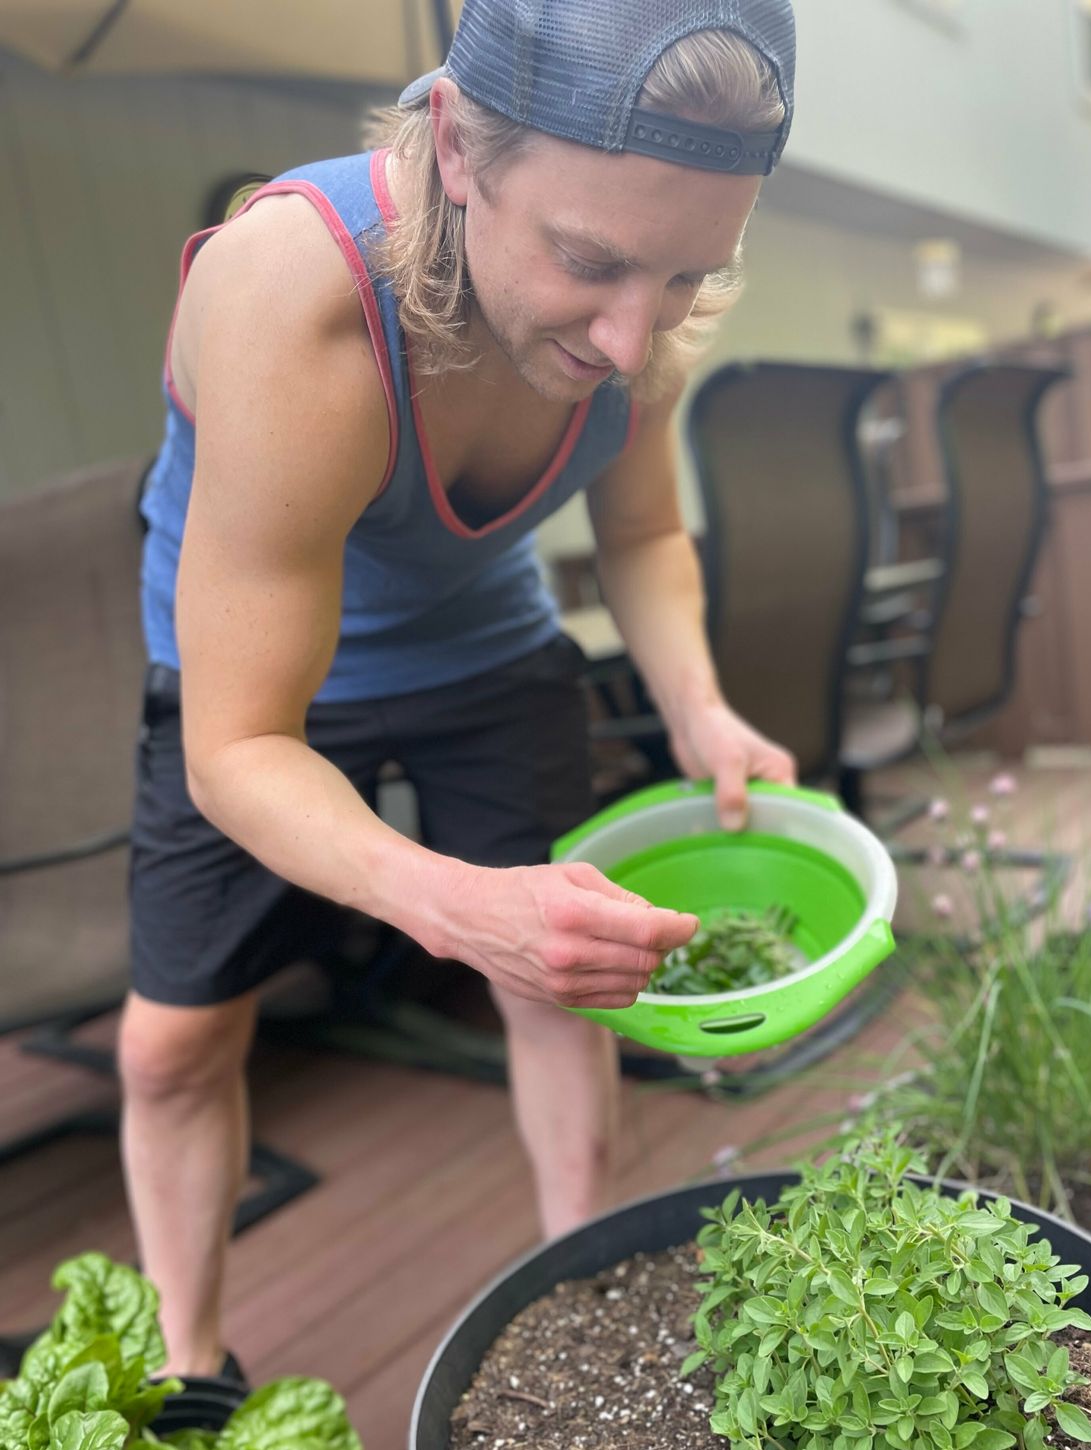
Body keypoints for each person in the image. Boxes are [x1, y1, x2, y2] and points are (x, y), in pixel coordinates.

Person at [121, 0, 799, 1380]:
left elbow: (642, 535)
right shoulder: (290, 288)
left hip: (487, 646)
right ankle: (191, 1364)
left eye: (687, 276)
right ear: (453, 149)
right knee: (170, 1048)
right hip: (255, 685)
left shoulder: (643, 305)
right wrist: (453, 905)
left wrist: (698, 707)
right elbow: (238, 748)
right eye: (589, 261)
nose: (632, 341)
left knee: (565, 981)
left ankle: (582, 1291)